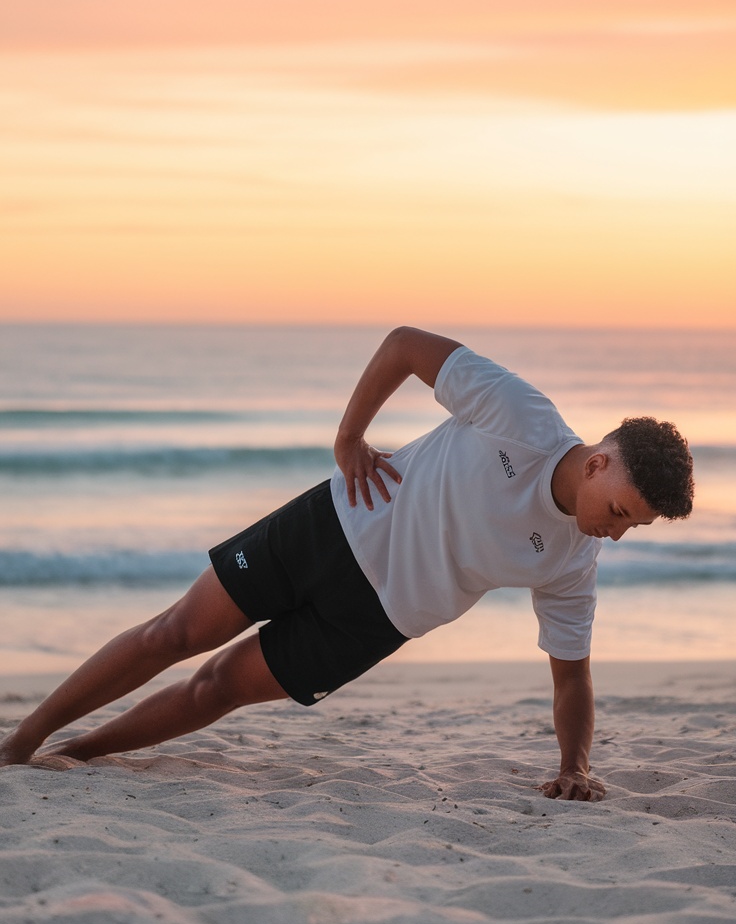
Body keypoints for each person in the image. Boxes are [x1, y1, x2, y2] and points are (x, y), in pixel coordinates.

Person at [0, 327, 694, 800]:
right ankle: (22, 741)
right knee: (176, 634)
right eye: (625, 512)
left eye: (635, 526)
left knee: (216, 687)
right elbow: (404, 346)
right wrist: (350, 436)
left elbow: (572, 676)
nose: (618, 534)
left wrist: (575, 766)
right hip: (333, 526)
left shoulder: (571, 560)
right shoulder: (522, 415)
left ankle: (81, 753)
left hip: (374, 621)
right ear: (599, 464)